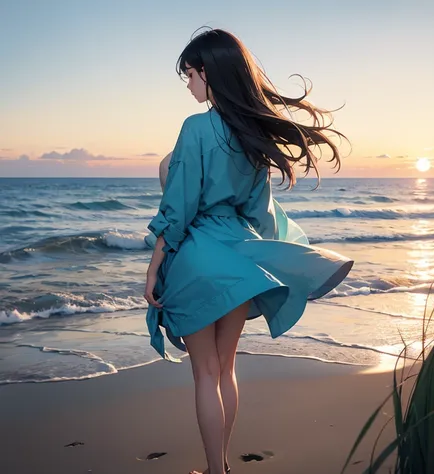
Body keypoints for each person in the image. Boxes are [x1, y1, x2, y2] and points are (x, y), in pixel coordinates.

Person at [143, 27, 353, 474]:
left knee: (202, 374)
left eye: (190, 74)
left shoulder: (196, 128)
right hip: (238, 257)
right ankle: (224, 469)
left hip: (197, 261)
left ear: (207, 72)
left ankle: (216, 469)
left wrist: (155, 264)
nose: (188, 84)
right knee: (225, 370)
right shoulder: (252, 135)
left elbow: (177, 209)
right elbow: (259, 212)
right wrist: (270, 252)